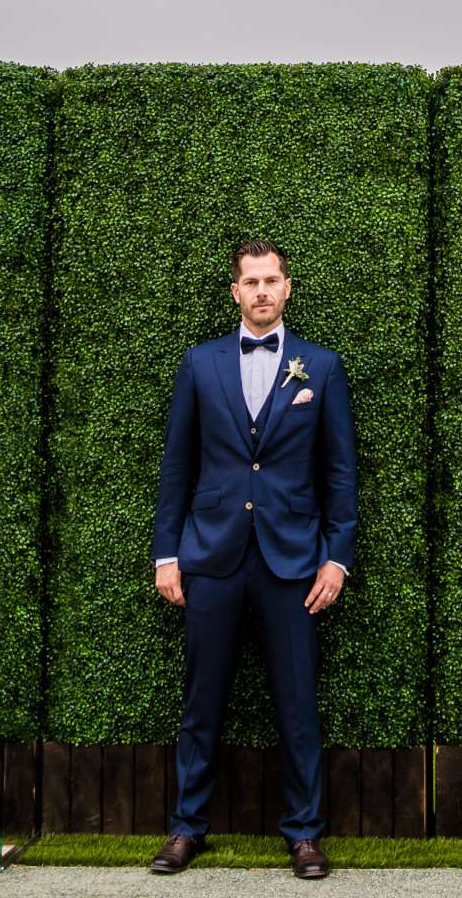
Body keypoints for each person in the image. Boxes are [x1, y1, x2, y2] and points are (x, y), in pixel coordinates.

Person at [148, 240, 359, 880]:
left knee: (297, 703)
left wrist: (337, 559)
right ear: (234, 291)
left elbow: (340, 472)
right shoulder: (199, 364)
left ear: (287, 288)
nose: (262, 291)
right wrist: (167, 553)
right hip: (210, 555)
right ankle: (186, 829)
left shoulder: (319, 368)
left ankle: (304, 835)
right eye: (251, 281)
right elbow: (178, 467)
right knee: (201, 702)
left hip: (292, 561)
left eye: (272, 281)